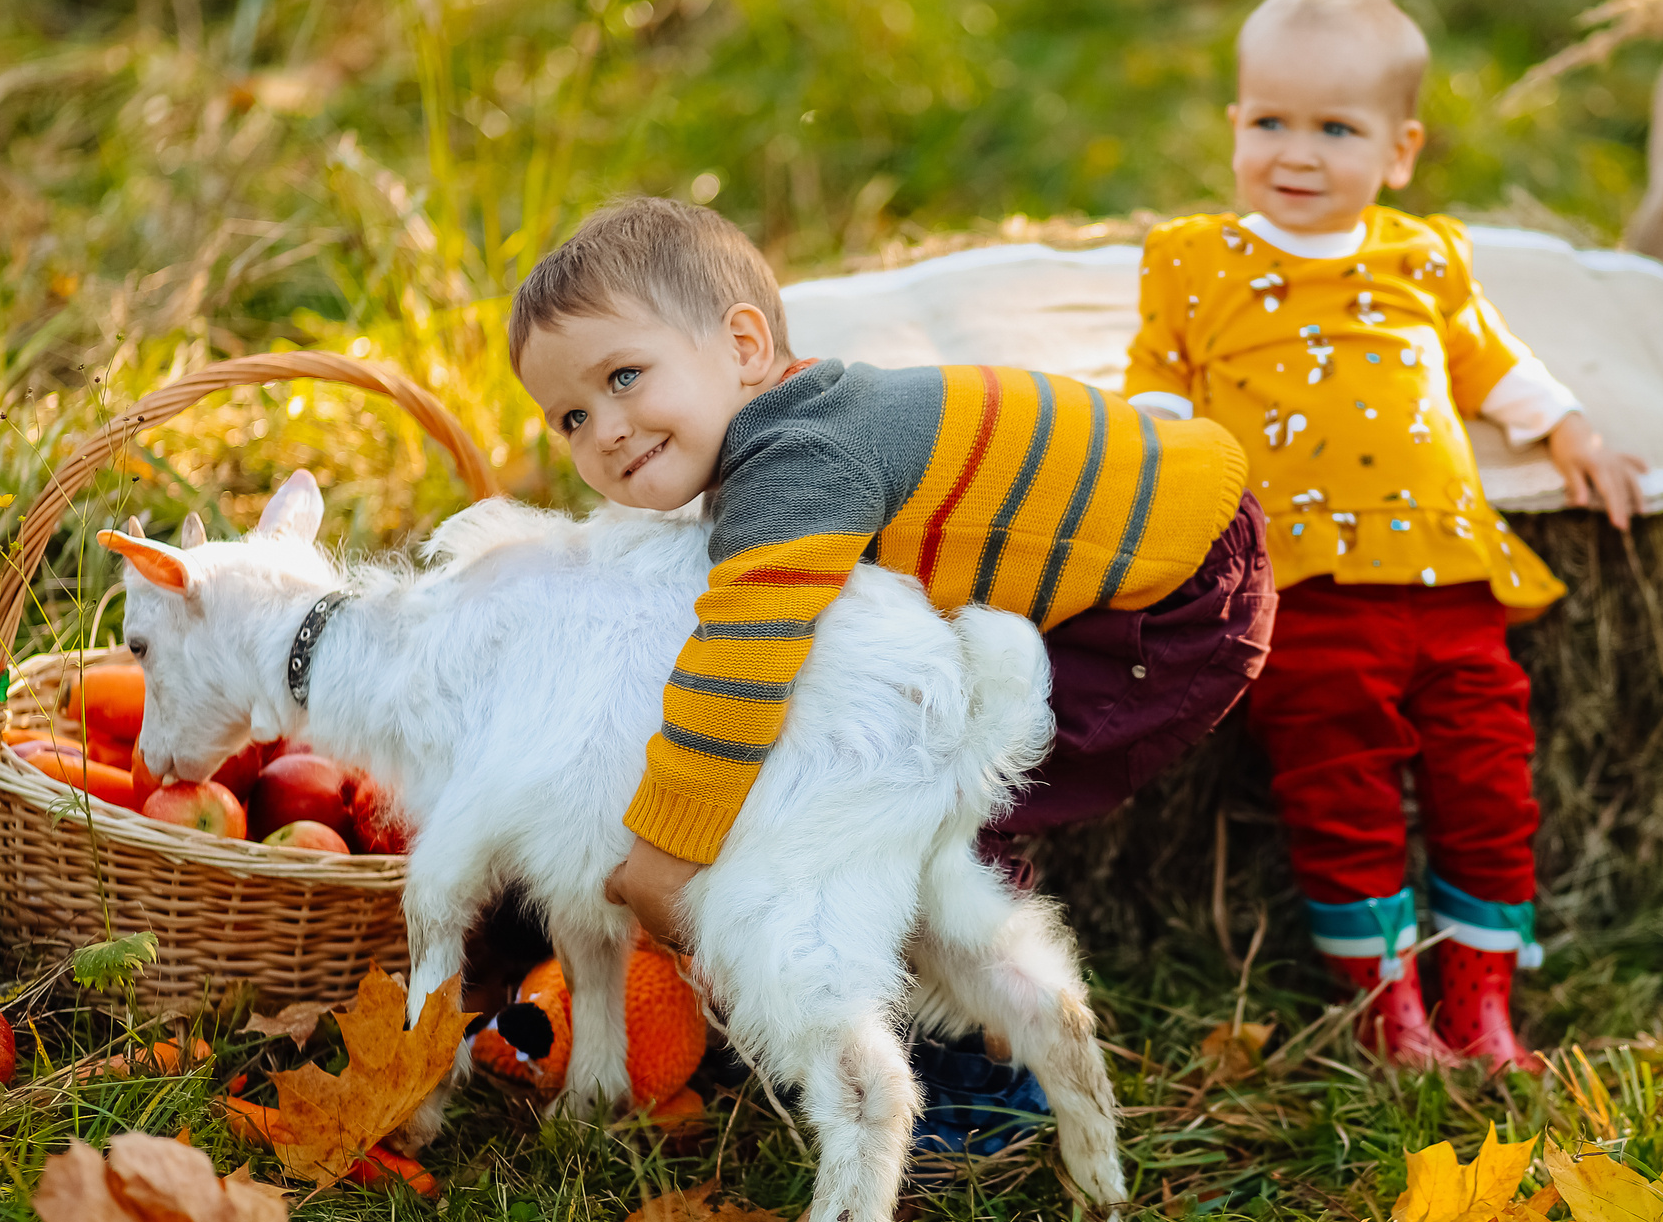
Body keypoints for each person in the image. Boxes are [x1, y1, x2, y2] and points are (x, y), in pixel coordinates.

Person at [507, 195, 1278, 960]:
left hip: (1184, 594)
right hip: (1181, 511)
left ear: (745, 345)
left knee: (933, 795)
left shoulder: (797, 463)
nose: (603, 430)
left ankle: (990, 1036)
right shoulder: (803, 419)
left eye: (624, 377)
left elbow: (740, 664)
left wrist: (667, 853)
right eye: (570, 417)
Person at [1124, 0, 1646, 1071]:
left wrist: (1569, 429)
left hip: (1451, 582)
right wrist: (1154, 466)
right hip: (1306, 592)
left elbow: (1489, 360)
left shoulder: (1422, 257)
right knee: (1340, 788)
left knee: (1490, 779)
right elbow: (1158, 382)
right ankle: (1388, 1005)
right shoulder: (1194, 260)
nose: (1296, 154)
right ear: (1233, 129)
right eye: (1269, 122)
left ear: (1398, 151)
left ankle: (1482, 998)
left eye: (1334, 129)